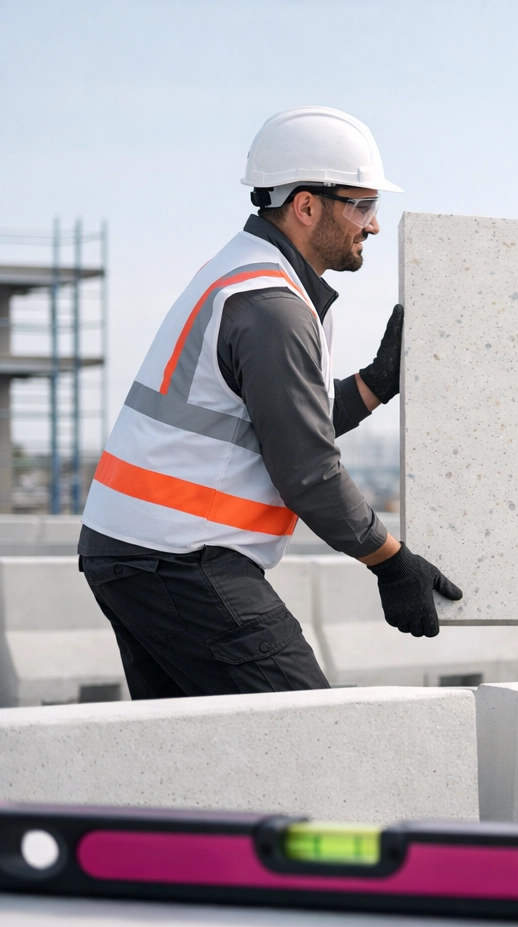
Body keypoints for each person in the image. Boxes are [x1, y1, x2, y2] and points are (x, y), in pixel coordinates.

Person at [78, 106, 461, 699]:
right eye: (363, 205)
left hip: (136, 551)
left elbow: (274, 424)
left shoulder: (247, 274)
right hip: (180, 556)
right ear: (306, 206)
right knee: (306, 745)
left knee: (206, 764)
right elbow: (307, 469)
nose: (375, 226)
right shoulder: (271, 306)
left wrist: (373, 385)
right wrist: (391, 562)